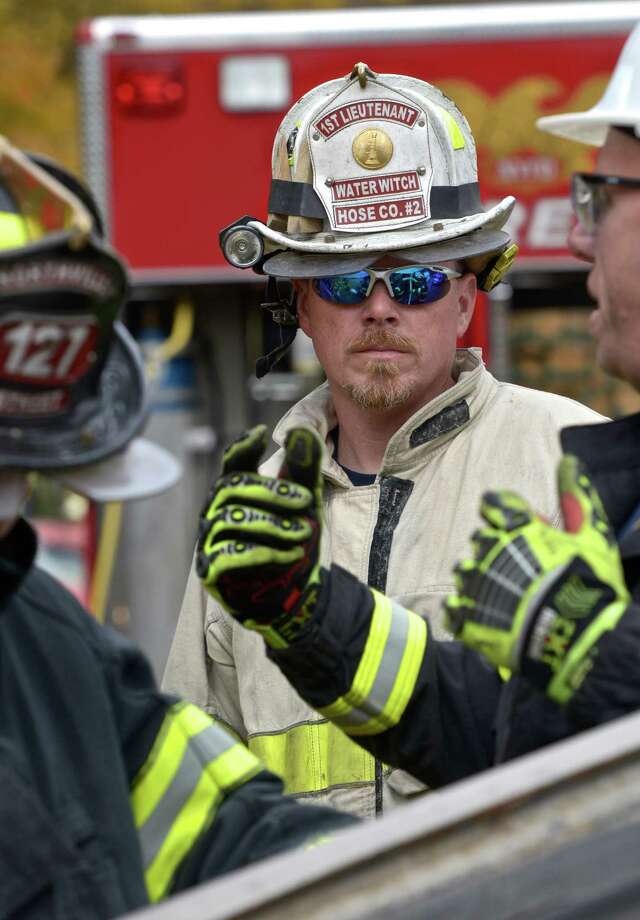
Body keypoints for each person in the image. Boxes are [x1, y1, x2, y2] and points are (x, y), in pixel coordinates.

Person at [192, 0, 640, 789]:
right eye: (344, 282)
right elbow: (518, 753)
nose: (577, 238)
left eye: (598, 200)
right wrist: (310, 616)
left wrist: (608, 656)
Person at [163, 62, 602, 816]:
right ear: (302, 307)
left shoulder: (574, 458)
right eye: (342, 281)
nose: (378, 308)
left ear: (464, 299)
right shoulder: (256, 519)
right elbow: (192, 790)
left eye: (415, 281)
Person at [0, 140, 355, 919]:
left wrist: (421, 877)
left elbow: (219, 833)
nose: (12, 515)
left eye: (20, 479)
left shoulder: (44, 638)